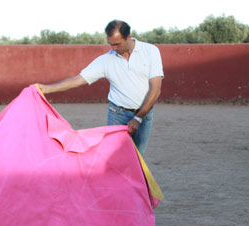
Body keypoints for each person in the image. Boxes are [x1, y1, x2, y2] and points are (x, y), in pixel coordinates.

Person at [37, 20, 163, 155]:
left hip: (144, 113)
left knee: (138, 158)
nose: (113, 49)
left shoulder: (150, 51)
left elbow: (155, 89)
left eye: (117, 44)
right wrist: (45, 89)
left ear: (128, 37)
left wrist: (138, 118)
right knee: (114, 158)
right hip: (117, 114)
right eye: (110, 44)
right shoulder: (105, 60)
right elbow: (78, 79)